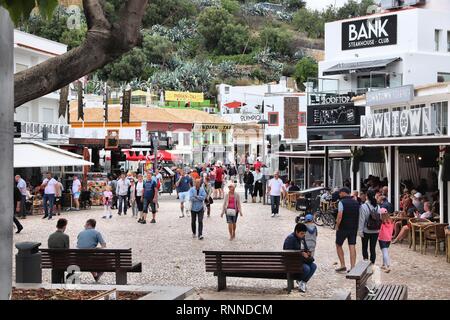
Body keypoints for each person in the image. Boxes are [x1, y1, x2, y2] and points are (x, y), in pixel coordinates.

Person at [283, 223, 317, 293]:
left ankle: (302, 282)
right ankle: (299, 280)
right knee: (307, 268)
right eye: (301, 233)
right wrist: (301, 254)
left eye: (304, 234)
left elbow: (306, 248)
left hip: (300, 260)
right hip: (292, 262)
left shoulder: (302, 238)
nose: (303, 235)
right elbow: (288, 254)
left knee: (313, 266)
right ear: (296, 232)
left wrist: (307, 252)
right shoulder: (290, 239)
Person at [335, 187, 360, 273]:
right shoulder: (356, 202)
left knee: (338, 245)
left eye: (340, 193)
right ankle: (353, 267)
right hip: (353, 228)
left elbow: (340, 215)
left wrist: (337, 225)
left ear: (343, 193)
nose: (339, 194)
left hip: (343, 227)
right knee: (352, 246)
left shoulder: (341, 202)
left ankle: (343, 265)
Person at [358, 190, 381, 265]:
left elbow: (362, 220)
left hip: (366, 230)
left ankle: (365, 262)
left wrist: (360, 231)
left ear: (367, 196)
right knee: (372, 248)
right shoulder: (378, 206)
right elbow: (379, 218)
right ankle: (372, 263)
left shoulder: (364, 206)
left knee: (364, 247)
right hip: (376, 230)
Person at [47, 218, 70, 283]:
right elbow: (67, 251)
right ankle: (69, 282)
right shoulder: (65, 236)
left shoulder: (51, 236)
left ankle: (56, 282)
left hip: (53, 261)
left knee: (57, 266)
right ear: (64, 226)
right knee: (73, 268)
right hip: (62, 262)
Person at [378, 208, 394, 273]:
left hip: (382, 238)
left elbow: (379, 230)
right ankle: (384, 264)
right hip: (389, 238)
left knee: (385, 252)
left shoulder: (381, 222)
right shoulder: (391, 221)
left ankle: (388, 266)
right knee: (385, 251)